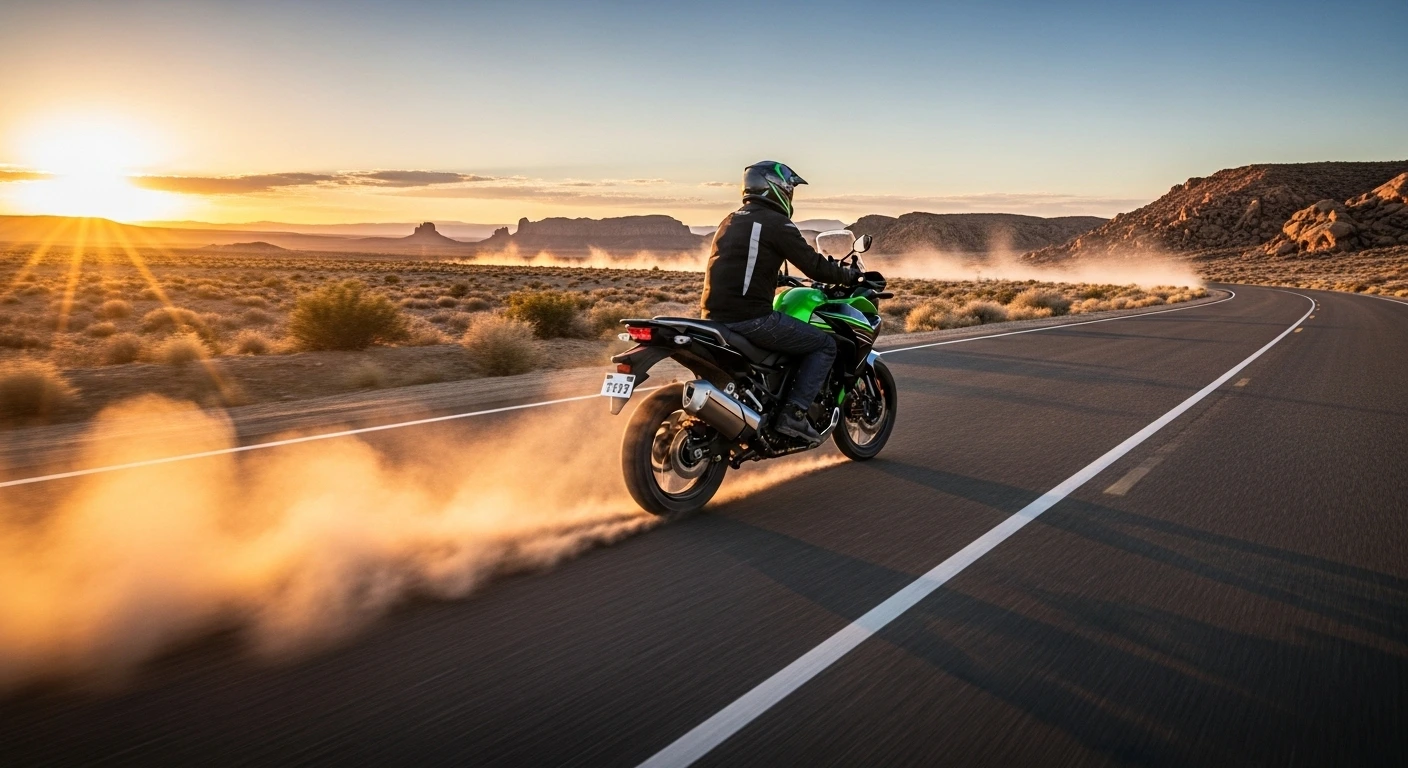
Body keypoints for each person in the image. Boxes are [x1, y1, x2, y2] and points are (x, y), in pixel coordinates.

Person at [700, 160, 861, 443]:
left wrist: (775, 278)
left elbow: (738, 265)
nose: (790, 195)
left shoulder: (731, 220)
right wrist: (849, 275)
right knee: (824, 345)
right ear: (777, 189)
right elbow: (814, 266)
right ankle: (793, 414)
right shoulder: (777, 223)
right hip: (750, 319)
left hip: (712, 317)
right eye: (789, 189)